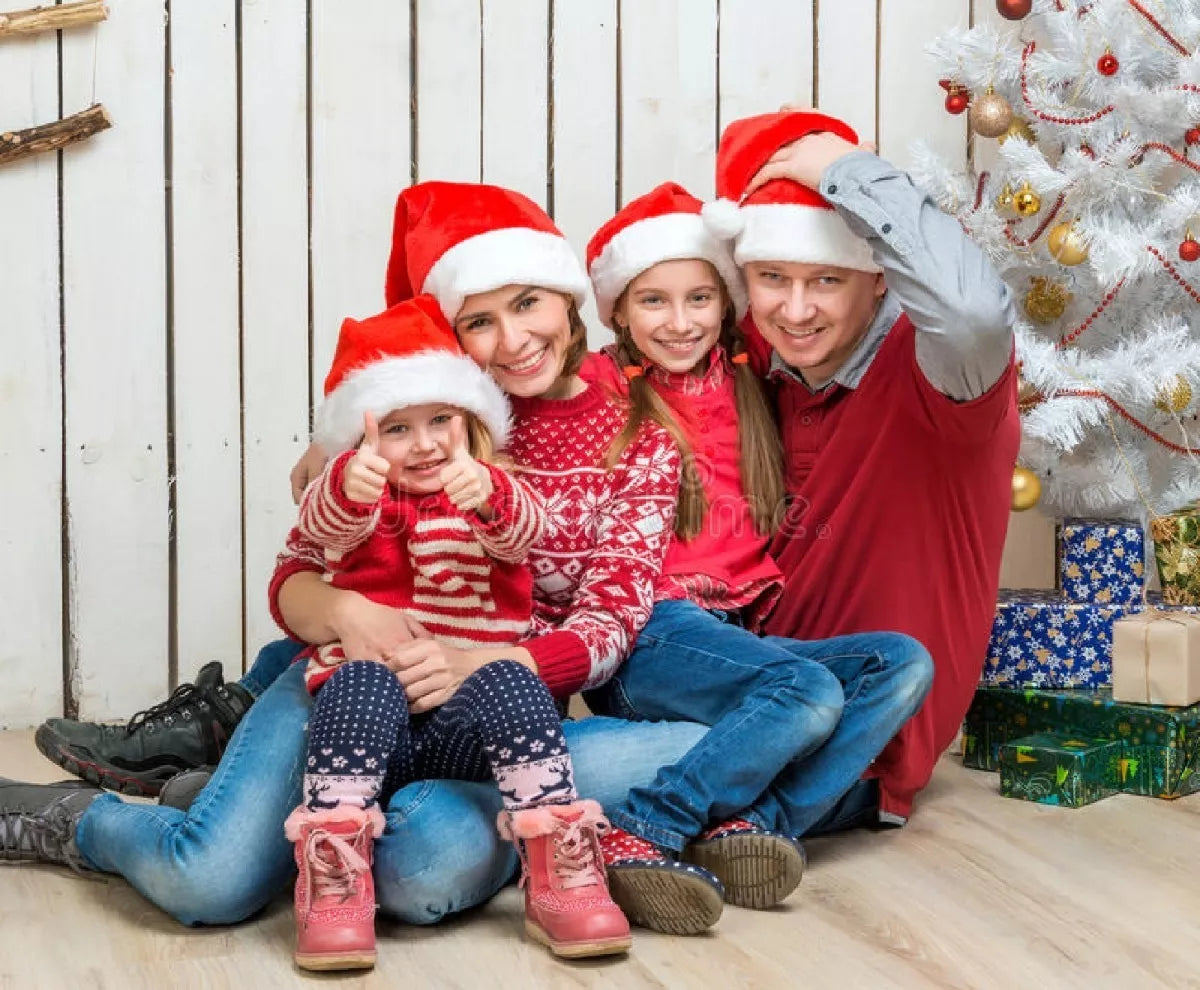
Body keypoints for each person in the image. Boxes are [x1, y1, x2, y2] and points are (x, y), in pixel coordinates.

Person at [0, 183, 710, 936]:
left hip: (495, 707)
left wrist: (482, 661)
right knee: (209, 883)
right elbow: (305, 566)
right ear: (445, 336)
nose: (513, 340)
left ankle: (272, 805)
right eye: (479, 321)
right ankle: (83, 820)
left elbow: (608, 615)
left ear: (571, 303)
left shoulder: (631, 429)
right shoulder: (405, 430)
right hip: (356, 685)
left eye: (530, 303)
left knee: (424, 870)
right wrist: (348, 606)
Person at [578, 182, 933, 928]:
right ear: (616, 311)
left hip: (737, 636)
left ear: (728, 304)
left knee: (901, 664)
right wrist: (336, 444)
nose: (680, 324)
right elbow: (482, 396)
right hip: (647, 633)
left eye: (700, 300)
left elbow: (836, 318)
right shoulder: (597, 387)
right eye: (653, 303)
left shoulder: (749, 379)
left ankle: (750, 825)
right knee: (807, 691)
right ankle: (646, 826)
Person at [283, 294, 627, 968]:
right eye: (398, 429)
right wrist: (346, 485)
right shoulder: (357, 502)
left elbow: (527, 535)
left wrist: (491, 496)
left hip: (462, 731)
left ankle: (561, 863)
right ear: (363, 441)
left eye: (441, 419)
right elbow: (317, 531)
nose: (426, 442)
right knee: (357, 680)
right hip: (368, 736)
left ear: (470, 422)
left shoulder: (491, 486)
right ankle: (334, 878)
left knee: (508, 677)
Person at [703, 109, 1019, 829]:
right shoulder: (744, 361)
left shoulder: (943, 376)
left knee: (570, 789)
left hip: (857, 745)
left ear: (878, 281)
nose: (795, 308)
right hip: (720, 699)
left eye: (827, 280)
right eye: (772, 277)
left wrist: (848, 175)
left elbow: (973, 312)